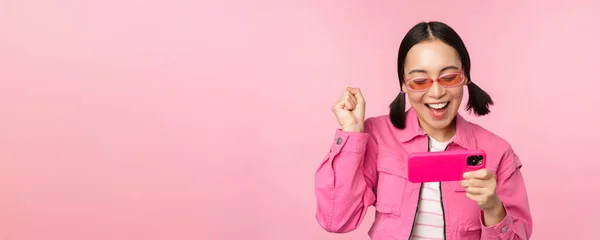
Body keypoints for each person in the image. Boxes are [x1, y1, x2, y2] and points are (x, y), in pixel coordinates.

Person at [314, 21, 533, 240]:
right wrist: (352, 133)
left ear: (464, 76)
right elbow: (337, 220)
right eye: (420, 81)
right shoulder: (377, 136)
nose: (436, 92)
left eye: (449, 78)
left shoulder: (497, 151)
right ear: (403, 83)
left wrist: (493, 208)